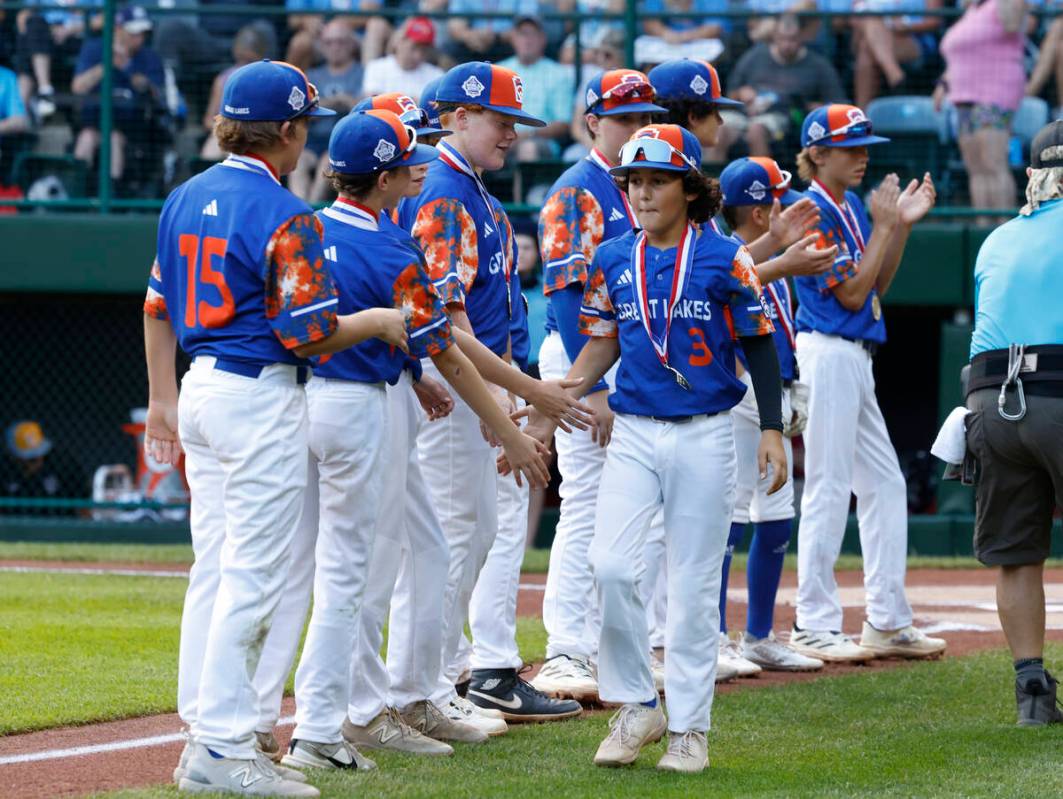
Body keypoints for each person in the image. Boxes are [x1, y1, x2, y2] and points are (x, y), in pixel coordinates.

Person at [143, 59, 409, 797]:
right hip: (258, 394)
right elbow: (312, 335)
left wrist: (161, 399)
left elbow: (155, 305)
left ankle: (204, 723)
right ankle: (223, 746)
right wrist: (379, 321)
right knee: (256, 574)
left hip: (200, 388)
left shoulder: (184, 193)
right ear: (286, 131)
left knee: (216, 567)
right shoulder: (285, 211)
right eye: (303, 128)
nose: (306, 142)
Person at [275, 108, 554, 771]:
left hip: (303, 400)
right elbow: (450, 352)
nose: (416, 174)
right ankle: (343, 717)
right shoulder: (393, 247)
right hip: (360, 408)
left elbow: (300, 326)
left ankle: (352, 705)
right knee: (358, 571)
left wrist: (409, 370)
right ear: (386, 176)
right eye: (406, 165)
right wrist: (513, 423)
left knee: (361, 559)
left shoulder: (304, 227)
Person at [526, 123, 786, 772]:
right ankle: (639, 700)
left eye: (656, 180)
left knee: (695, 585)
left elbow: (758, 340)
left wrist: (776, 426)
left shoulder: (726, 256)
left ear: (688, 188)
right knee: (611, 564)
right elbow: (597, 344)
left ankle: (689, 728)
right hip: (635, 429)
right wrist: (548, 400)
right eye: (633, 180)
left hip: (706, 429)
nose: (641, 193)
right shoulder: (613, 256)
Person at [393, 61, 586, 725]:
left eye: (514, 122)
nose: (511, 135)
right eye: (499, 121)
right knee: (452, 539)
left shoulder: (467, 189)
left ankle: (440, 681)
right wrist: (509, 400)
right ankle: (431, 684)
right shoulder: (446, 192)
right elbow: (449, 324)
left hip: (473, 378)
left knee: (468, 537)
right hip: (457, 388)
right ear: (455, 116)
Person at [788, 103, 946, 663]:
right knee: (828, 485)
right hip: (826, 351)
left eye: (864, 148)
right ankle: (813, 620)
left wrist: (897, 227)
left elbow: (877, 284)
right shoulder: (806, 210)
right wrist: (884, 225)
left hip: (854, 353)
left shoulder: (852, 205)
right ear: (817, 154)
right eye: (850, 148)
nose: (862, 157)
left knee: (884, 483)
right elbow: (850, 295)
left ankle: (886, 619)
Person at [530, 68, 665, 703]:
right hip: (583, 360)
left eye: (646, 118)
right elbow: (562, 298)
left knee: (630, 512)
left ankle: (611, 649)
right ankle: (564, 650)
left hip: (624, 360)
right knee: (584, 504)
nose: (638, 129)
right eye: (625, 119)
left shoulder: (638, 186)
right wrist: (595, 388)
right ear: (593, 123)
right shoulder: (577, 190)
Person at [962, 120, 1063, 726]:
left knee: (1017, 555)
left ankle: (1032, 693)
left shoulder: (997, 237)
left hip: (991, 400)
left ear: (1031, 175)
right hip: (1059, 388)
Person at [715, 157, 828, 673]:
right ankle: (714, 637)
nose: (785, 204)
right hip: (740, 392)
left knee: (778, 513)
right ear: (760, 212)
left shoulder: (777, 259)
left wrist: (791, 386)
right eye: (776, 198)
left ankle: (758, 635)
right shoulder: (734, 257)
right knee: (731, 515)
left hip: (772, 389)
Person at [935, 0, 1027, 213]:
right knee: (975, 167)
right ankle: (983, 228)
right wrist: (943, 84)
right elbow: (961, 55)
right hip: (962, 98)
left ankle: (1004, 229)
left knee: (993, 162)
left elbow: (1013, 23)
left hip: (995, 93)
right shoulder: (973, 11)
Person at [723, 15, 848, 158]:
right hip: (745, 113)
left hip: (784, 118)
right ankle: (708, 180)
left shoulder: (818, 65)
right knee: (719, 129)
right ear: (774, 36)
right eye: (782, 38)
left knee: (756, 130)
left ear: (802, 37)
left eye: (792, 39)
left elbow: (839, 103)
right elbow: (730, 94)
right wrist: (740, 93)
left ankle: (765, 179)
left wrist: (820, 108)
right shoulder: (754, 57)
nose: (787, 44)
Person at [71, 5, 165, 186]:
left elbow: (155, 92)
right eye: (134, 33)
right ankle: (79, 191)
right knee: (86, 138)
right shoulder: (95, 48)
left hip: (131, 126)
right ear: (118, 29)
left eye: (142, 33)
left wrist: (128, 69)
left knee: (113, 139)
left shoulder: (149, 56)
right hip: (94, 120)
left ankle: (113, 193)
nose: (139, 39)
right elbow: (77, 87)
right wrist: (107, 64)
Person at [289, 19, 366, 201]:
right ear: (322, 46)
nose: (335, 47)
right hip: (312, 141)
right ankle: (298, 210)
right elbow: (305, 113)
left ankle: (312, 211)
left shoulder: (363, 72)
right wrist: (339, 101)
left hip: (342, 142)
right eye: (329, 42)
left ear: (351, 45)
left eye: (340, 42)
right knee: (298, 163)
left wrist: (326, 103)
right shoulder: (312, 75)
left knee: (327, 162)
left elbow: (364, 106)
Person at [498, 17, 574, 159]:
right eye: (522, 34)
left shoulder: (559, 73)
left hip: (540, 140)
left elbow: (563, 124)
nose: (527, 40)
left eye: (533, 34)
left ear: (542, 39)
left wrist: (527, 135)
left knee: (529, 149)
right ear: (513, 38)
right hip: (502, 136)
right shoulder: (498, 70)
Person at [851, 0, 944, 109]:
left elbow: (934, 21)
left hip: (914, 39)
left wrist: (906, 26)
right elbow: (854, 19)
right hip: (870, 37)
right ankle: (895, 76)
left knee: (866, 51)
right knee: (871, 21)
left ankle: (859, 116)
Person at [1, 421, 86, 516]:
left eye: (41, 454)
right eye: (31, 459)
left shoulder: (62, 464)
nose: (39, 460)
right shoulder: (4, 470)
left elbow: (83, 502)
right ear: (13, 456)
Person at [362, 17, 443, 102]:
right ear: (400, 41)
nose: (418, 56)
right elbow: (372, 104)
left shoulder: (436, 75)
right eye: (414, 47)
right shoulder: (376, 67)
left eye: (424, 50)